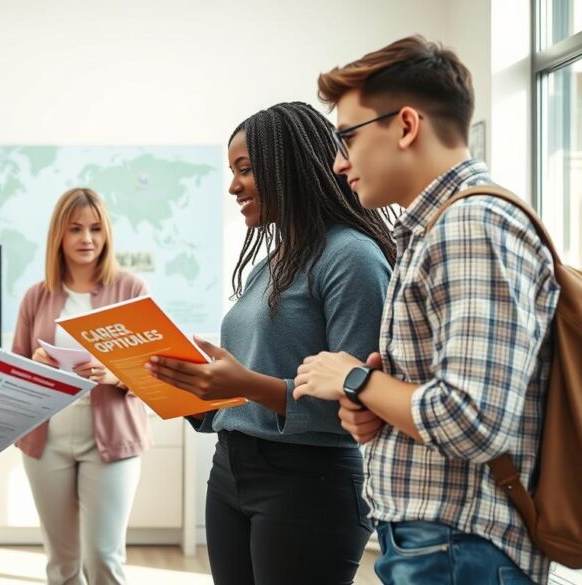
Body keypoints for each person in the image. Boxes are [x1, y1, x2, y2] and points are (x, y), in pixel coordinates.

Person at [295, 36, 560, 585]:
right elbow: (444, 401)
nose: (340, 164)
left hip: (458, 544)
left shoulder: (470, 226)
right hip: (442, 542)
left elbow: (471, 421)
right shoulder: (436, 228)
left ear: (406, 125)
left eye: (347, 137)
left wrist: (352, 378)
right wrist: (373, 398)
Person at [145, 102, 395, 585]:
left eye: (246, 169)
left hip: (308, 481)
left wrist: (243, 383)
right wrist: (179, 383)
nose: (233, 186)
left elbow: (358, 407)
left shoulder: (352, 258)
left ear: (291, 166)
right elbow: (248, 386)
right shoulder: (276, 261)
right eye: (232, 171)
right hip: (232, 469)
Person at [13, 187, 151, 585]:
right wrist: (34, 365)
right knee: (61, 563)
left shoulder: (131, 289)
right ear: (59, 234)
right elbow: (13, 372)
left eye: (95, 229)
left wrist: (115, 374)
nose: (86, 239)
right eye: (75, 229)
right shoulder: (36, 297)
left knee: (103, 559)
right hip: (47, 439)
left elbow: (153, 370)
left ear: (106, 234)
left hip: (111, 438)